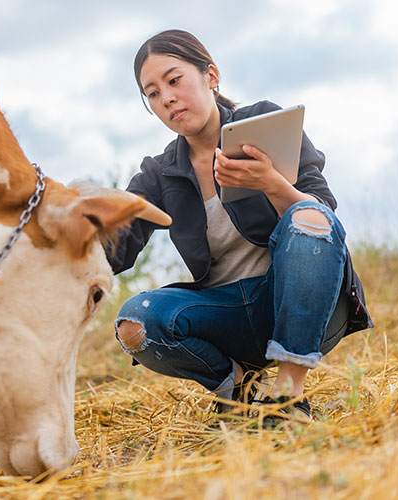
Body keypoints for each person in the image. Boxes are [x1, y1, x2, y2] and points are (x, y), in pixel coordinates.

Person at [107, 29, 373, 423]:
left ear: (211, 76)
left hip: (302, 305)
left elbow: (324, 218)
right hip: (225, 314)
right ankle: (237, 390)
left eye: (174, 80)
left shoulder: (263, 124)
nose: (166, 98)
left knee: (309, 218)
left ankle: (288, 397)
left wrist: (271, 183)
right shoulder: (159, 173)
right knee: (136, 321)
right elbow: (116, 244)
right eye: (152, 93)